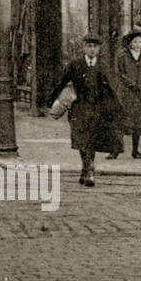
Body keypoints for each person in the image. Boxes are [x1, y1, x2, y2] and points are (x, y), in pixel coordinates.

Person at [51, 34, 119, 187]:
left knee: (91, 139)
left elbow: (111, 87)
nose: (92, 50)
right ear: (83, 48)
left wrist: (114, 107)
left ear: (99, 49)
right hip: (79, 108)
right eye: (89, 46)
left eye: (95, 47)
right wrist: (52, 100)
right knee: (81, 139)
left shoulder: (103, 65)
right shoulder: (75, 64)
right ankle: (87, 167)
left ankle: (88, 169)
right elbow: (62, 82)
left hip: (97, 108)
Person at [115, 29, 141, 159]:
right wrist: (130, 83)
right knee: (121, 120)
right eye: (135, 41)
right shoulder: (122, 55)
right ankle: (115, 149)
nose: (138, 44)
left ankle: (135, 150)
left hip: (140, 94)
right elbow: (119, 73)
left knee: (138, 122)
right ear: (130, 43)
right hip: (125, 92)